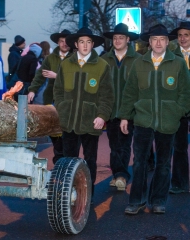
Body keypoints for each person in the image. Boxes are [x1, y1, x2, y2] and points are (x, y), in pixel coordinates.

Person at [119, 24, 190, 215]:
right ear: (149, 43)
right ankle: (137, 201)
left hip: (168, 121)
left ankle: (158, 200)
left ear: (168, 42)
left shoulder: (178, 63)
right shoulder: (139, 63)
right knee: (140, 161)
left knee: (164, 163)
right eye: (155, 39)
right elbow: (130, 92)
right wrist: (125, 116)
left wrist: (178, 111)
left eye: (162, 39)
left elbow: (185, 92)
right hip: (143, 120)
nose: (158, 43)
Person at [54, 27, 115, 201]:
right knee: (68, 161)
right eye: (82, 42)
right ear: (75, 44)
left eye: (89, 42)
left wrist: (102, 116)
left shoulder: (102, 66)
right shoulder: (66, 64)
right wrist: (62, 108)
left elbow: (107, 95)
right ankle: (69, 196)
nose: (85, 45)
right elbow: (58, 90)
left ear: (93, 44)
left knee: (89, 161)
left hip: (91, 122)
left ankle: (87, 197)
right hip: (69, 122)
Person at [101, 23, 140, 191]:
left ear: (128, 39)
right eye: (115, 38)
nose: (117, 40)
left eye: (121, 38)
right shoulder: (104, 60)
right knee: (114, 145)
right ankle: (117, 174)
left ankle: (121, 176)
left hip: (129, 111)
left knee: (124, 145)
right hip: (110, 110)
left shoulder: (137, 60)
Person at [27, 29, 72, 164]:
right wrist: (32, 90)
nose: (64, 44)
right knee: (54, 133)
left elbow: (76, 78)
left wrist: (57, 76)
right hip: (51, 99)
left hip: (68, 100)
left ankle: (66, 162)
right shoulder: (50, 58)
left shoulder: (75, 58)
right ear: (58, 42)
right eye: (61, 41)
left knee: (67, 134)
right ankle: (59, 161)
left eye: (66, 41)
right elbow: (40, 75)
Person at [168, 21, 190, 194]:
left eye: (186, 35)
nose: (182, 38)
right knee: (179, 146)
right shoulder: (172, 56)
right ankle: (179, 182)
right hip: (180, 107)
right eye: (180, 35)